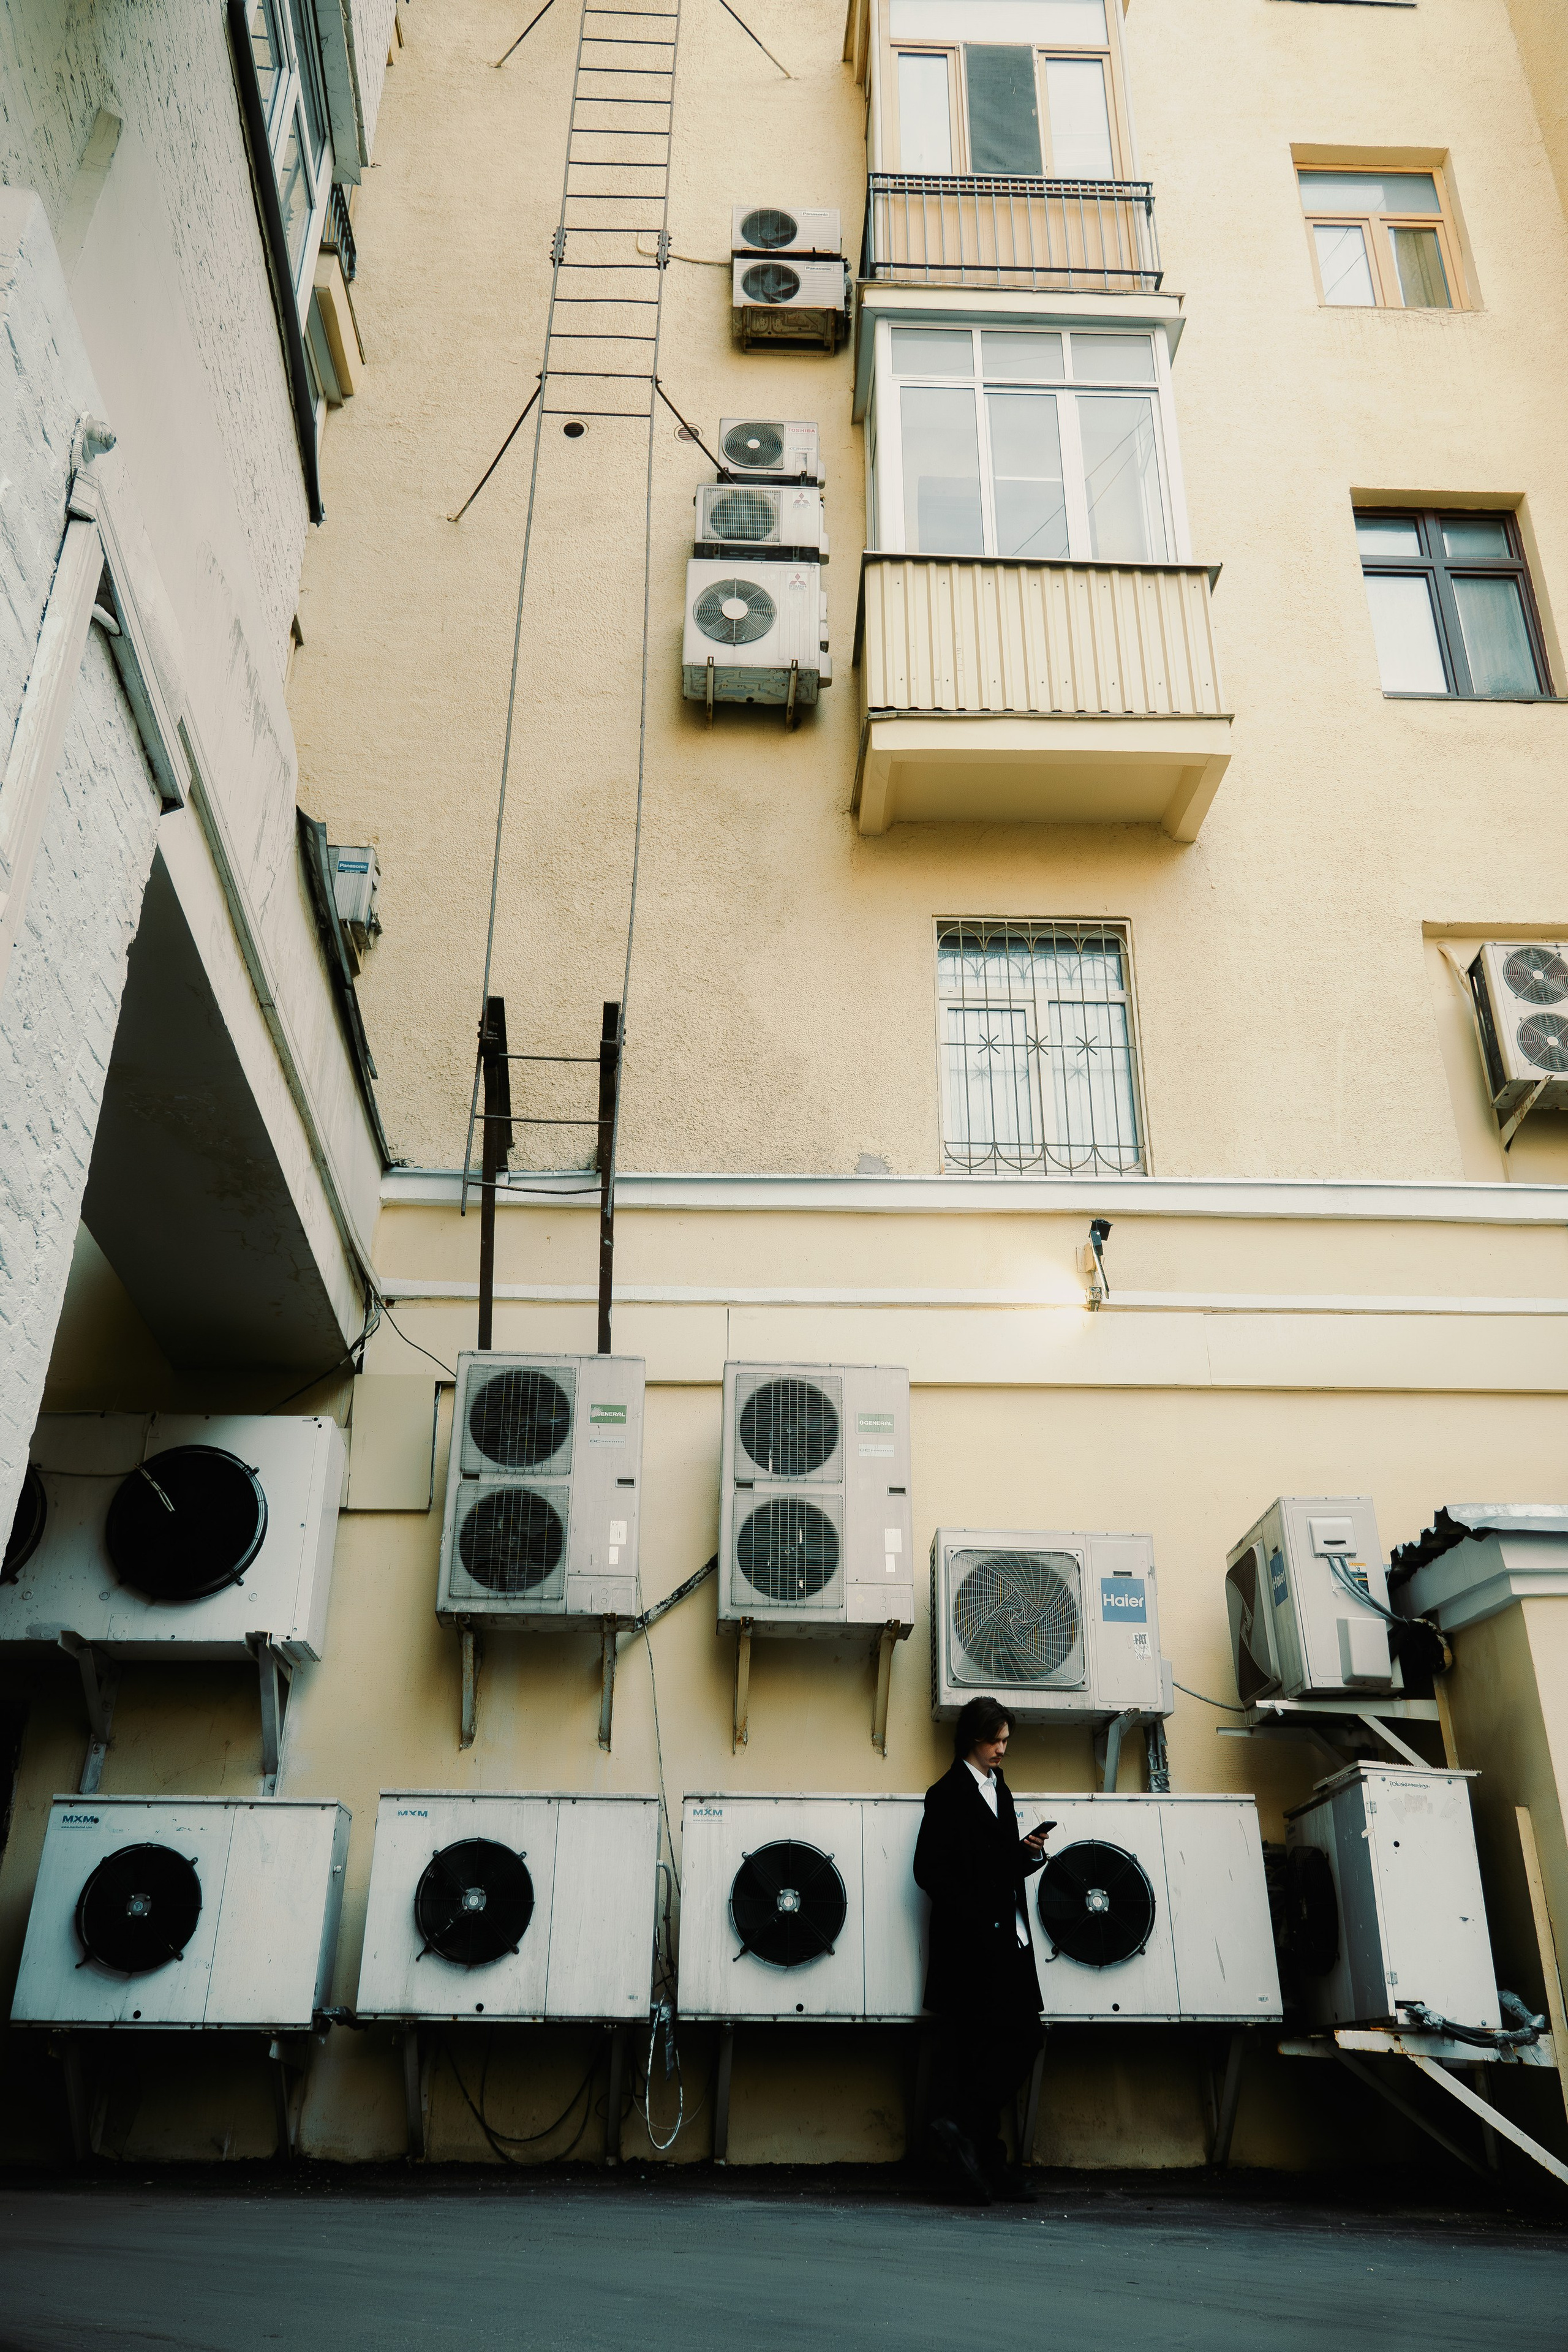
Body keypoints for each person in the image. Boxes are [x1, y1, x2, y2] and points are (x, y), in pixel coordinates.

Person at [913, 1695, 1052, 2205]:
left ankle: (968, 2137)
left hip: (1008, 1941)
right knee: (987, 2049)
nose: (1002, 1749)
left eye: (1006, 1741)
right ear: (973, 1738)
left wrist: (1028, 1856)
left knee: (1016, 2040)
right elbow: (929, 1871)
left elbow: (997, 1865)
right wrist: (974, 1913)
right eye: (995, 1740)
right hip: (972, 1946)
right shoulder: (946, 1794)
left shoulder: (1001, 1790)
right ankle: (985, 2162)